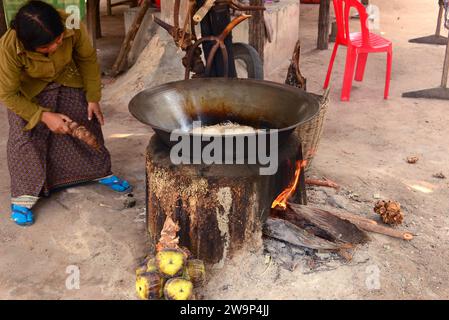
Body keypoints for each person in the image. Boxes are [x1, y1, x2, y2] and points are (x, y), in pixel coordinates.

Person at [0, 1, 132, 227]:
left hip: (65, 77)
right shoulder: (9, 47)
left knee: (85, 118)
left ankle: (98, 171)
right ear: (28, 46)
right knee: (25, 137)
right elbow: (8, 95)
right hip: (28, 93)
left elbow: (87, 59)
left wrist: (93, 97)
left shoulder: (71, 24)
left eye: (59, 39)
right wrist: (43, 116)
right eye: (47, 47)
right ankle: (23, 196)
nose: (57, 46)